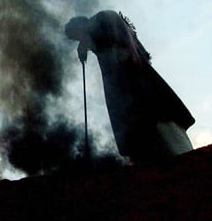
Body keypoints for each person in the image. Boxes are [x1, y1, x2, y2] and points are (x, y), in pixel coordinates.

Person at [65, 10, 195, 164]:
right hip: (133, 107)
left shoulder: (105, 18)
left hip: (148, 98)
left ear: (81, 26)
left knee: (173, 146)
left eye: (77, 36)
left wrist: (86, 41)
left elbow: (110, 31)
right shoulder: (101, 43)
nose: (80, 40)